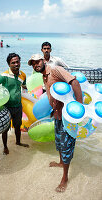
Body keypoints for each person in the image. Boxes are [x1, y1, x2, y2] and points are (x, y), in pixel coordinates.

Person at [28, 54, 82, 193]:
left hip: (67, 117)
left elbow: (74, 83)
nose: (35, 65)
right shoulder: (43, 76)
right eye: (33, 63)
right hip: (57, 115)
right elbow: (53, 94)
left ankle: (65, 178)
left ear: (43, 60)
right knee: (58, 143)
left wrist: (79, 107)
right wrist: (53, 109)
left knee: (66, 146)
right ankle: (60, 163)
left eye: (37, 61)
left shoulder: (56, 70)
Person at [0, 53, 29, 155]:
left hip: (18, 106)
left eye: (17, 62)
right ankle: (5, 147)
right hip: (6, 108)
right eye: (13, 63)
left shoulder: (23, 75)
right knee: (5, 129)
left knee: (18, 126)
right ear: (9, 64)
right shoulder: (4, 75)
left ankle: (18, 142)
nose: (16, 64)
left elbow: (24, 86)